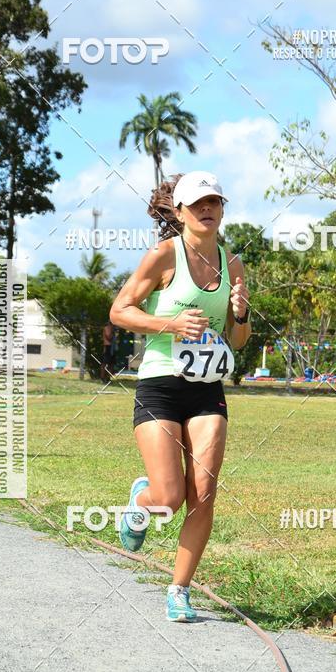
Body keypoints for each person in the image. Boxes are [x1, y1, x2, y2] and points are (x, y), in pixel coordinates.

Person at [110, 171, 251, 622]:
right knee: (170, 498)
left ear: (222, 208)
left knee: (204, 492)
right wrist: (171, 325)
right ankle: (142, 500)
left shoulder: (233, 264)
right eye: (198, 203)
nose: (208, 209)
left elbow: (241, 339)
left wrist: (241, 313)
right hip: (159, 385)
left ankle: (179, 590)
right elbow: (120, 310)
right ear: (179, 212)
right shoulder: (163, 256)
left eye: (215, 201)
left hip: (207, 388)